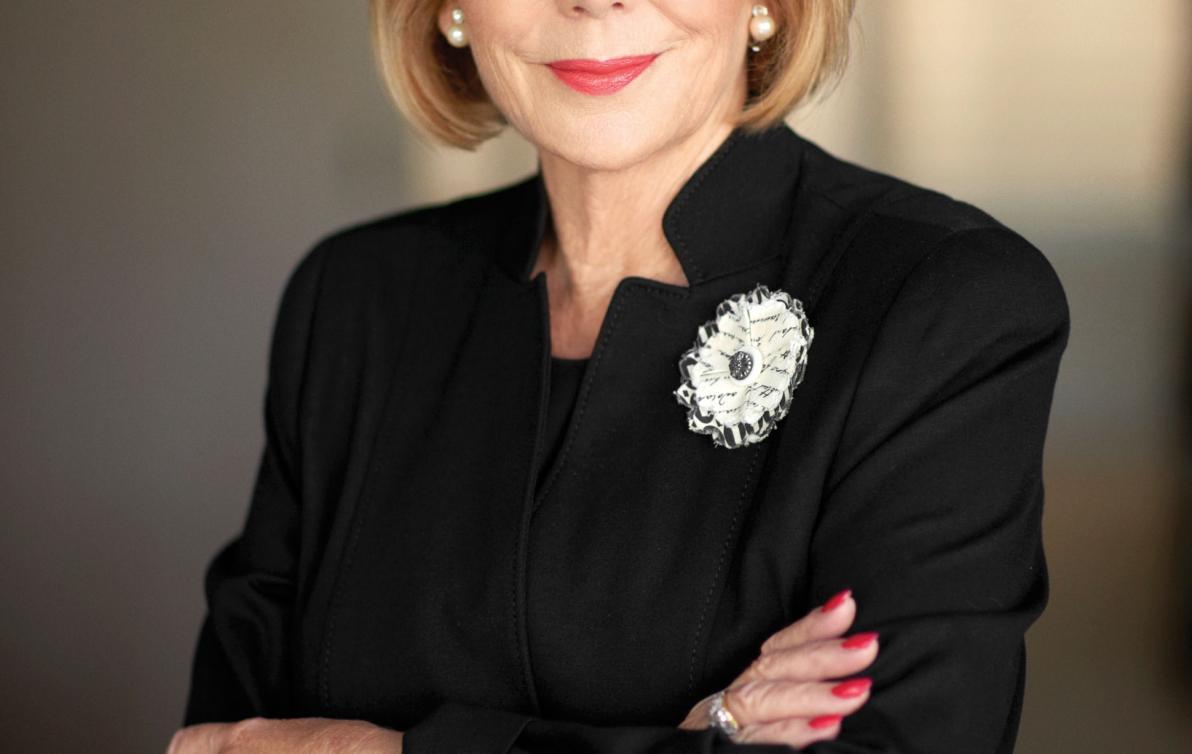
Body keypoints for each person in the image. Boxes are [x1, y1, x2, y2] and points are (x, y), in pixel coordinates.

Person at [170, 1, 1071, 752]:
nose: (595, 1)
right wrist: (695, 737)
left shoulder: (945, 302)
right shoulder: (356, 301)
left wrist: (392, 749)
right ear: (446, 8)